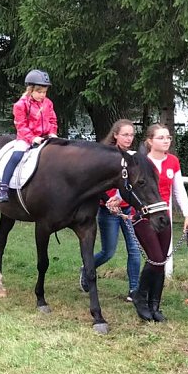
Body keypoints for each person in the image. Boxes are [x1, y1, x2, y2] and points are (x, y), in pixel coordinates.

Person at [131, 123, 188, 322]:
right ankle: (140, 297)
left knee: (161, 261)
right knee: (156, 259)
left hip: (163, 217)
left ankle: (154, 305)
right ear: (150, 141)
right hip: (143, 216)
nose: (166, 140)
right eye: (161, 137)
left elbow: (178, 190)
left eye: (168, 137)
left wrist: (187, 215)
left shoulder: (173, 162)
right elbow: (127, 187)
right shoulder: (139, 162)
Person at [80, 119, 143, 302]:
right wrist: (108, 202)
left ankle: (134, 290)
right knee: (108, 251)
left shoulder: (134, 157)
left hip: (129, 209)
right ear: (115, 134)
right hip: (108, 211)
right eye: (125, 134)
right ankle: (87, 268)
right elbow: (95, 184)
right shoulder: (104, 155)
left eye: (131, 135)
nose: (129, 138)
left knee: (134, 249)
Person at [0, 69, 58, 203]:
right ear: (30, 89)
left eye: (45, 92)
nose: (42, 95)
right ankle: (3, 186)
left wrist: (52, 132)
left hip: (46, 136)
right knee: (16, 155)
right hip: (26, 138)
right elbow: (21, 125)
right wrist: (32, 138)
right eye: (39, 91)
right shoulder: (20, 105)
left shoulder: (48, 103)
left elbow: (53, 120)